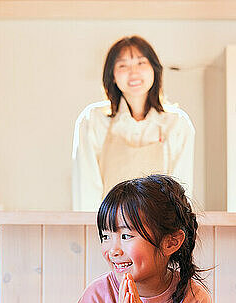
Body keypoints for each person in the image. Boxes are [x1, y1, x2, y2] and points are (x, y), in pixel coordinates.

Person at [73, 174, 213, 303]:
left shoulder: (194, 301)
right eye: (105, 236)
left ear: (171, 242)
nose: (113, 250)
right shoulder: (95, 298)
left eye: (126, 235)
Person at [72, 36, 195, 211]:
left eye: (141, 63)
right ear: (112, 75)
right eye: (123, 65)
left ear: (154, 69)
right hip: (109, 229)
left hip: (158, 230)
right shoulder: (92, 120)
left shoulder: (177, 123)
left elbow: (181, 193)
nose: (133, 72)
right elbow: (87, 191)